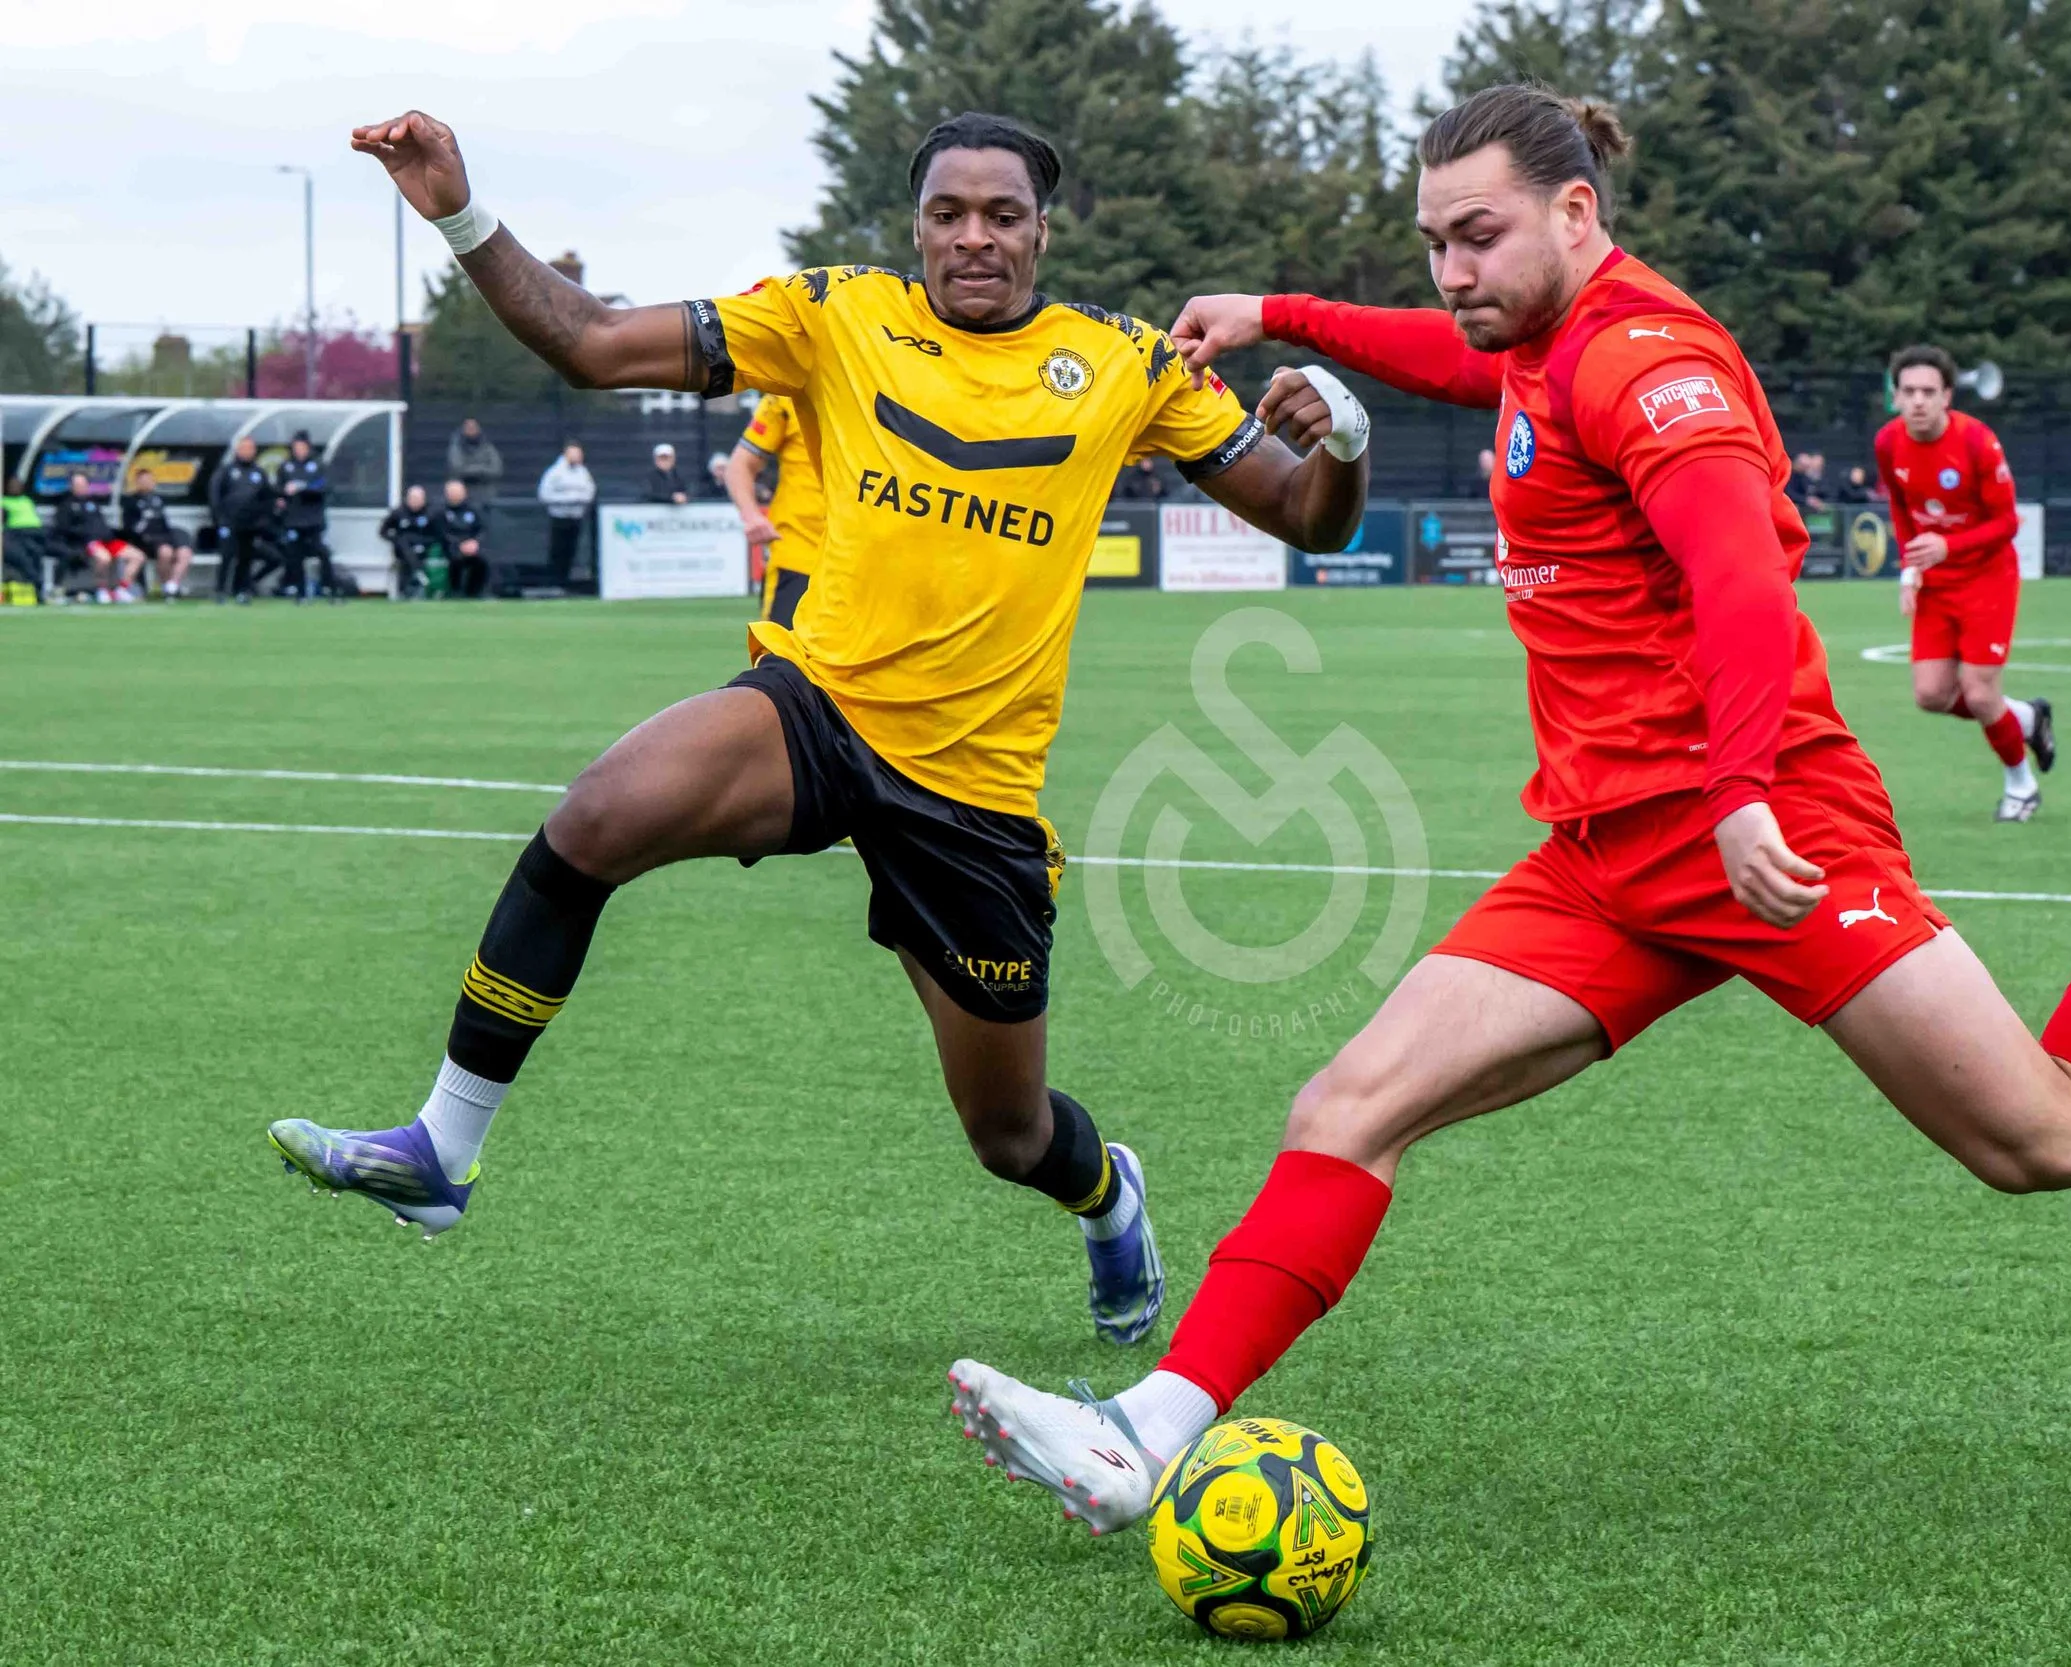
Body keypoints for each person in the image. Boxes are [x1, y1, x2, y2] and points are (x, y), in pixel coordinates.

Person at [940, 82, 2071, 1535]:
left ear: (1575, 214)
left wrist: (1734, 794)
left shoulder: (1650, 362)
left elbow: (1738, 579)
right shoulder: (1538, 338)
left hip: (1768, 826)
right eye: (1433, 241)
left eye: (1478, 237)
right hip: (1603, 856)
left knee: (2044, 1139)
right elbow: (1457, 358)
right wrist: (1280, 311)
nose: (1452, 273)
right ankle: (1148, 1429)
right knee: (1347, 1103)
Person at [277, 109, 1369, 1361]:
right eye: (947, 215)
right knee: (592, 821)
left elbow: (1307, 518)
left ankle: (1105, 1192)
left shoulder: (1127, 361)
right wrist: (461, 214)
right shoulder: (832, 313)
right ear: (914, 231)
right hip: (816, 711)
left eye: (1001, 216)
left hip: (975, 798)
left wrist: (1340, 440)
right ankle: (442, 1148)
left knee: (1008, 1136)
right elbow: (587, 344)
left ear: (1041, 234)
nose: (973, 236)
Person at [1874, 345, 2055, 822]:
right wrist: (1910, 569)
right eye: (1908, 391)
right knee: (1930, 695)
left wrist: (1948, 547)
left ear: (1948, 396)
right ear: (1896, 396)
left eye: (1928, 392)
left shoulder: (1977, 442)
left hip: (1986, 579)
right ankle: (2026, 719)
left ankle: (2021, 784)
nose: (1917, 401)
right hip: (1935, 582)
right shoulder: (1888, 443)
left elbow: (2007, 523)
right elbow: (1900, 507)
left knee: (1978, 693)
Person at [725, 394, 824, 629]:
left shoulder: (882, 385)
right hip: (800, 553)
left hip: (867, 562)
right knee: (781, 659)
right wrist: (751, 515)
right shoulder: (786, 396)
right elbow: (740, 465)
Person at [275, 431, 339, 601]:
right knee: (295, 556)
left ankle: (330, 588)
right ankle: (300, 591)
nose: (299, 451)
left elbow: (325, 488)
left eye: (302, 447)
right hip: (293, 520)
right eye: (296, 448)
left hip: (313, 520)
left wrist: (303, 489)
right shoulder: (286, 466)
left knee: (322, 553)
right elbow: (278, 489)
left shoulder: (318, 465)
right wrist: (282, 496)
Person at [57, 471, 140, 602]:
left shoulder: (93, 503)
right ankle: (102, 589)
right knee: (103, 558)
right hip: (89, 542)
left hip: (108, 540)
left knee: (137, 556)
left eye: (83, 484)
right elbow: (64, 529)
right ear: (72, 486)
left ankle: (122, 589)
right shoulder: (66, 505)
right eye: (77, 484)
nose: (80, 487)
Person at [210, 436, 275, 600]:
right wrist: (219, 519)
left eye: (250, 448)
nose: (247, 451)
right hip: (229, 522)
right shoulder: (227, 470)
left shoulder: (259, 473)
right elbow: (215, 495)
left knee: (246, 558)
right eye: (244, 447)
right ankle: (220, 590)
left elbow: (267, 497)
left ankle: (240, 589)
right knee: (227, 556)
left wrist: (262, 519)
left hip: (251, 525)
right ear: (238, 450)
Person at [120, 467, 195, 598]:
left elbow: (164, 523)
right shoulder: (130, 501)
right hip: (145, 539)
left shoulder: (158, 499)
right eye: (143, 480)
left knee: (185, 553)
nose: (147, 483)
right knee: (165, 552)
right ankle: (164, 585)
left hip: (165, 535)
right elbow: (130, 528)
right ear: (137, 482)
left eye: (150, 480)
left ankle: (173, 584)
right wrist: (144, 520)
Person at [536, 441, 596, 581]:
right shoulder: (554, 472)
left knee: (572, 549)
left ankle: (567, 580)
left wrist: (579, 500)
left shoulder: (583, 472)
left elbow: (590, 490)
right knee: (558, 550)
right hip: (559, 517)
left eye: (579, 454)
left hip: (576, 516)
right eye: (574, 453)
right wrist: (565, 500)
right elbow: (544, 494)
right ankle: (555, 579)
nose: (577, 457)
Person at [378, 483, 440, 599]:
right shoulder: (398, 513)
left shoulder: (431, 513)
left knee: (410, 549)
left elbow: (437, 534)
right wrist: (394, 539)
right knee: (403, 541)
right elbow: (383, 531)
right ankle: (416, 577)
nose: (415, 501)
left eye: (418, 499)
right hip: (402, 550)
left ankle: (417, 577)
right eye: (412, 498)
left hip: (424, 547)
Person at [438, 477, 490, 597]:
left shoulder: (473, 509)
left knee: (481, 562)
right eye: (452, 493)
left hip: (472, 547)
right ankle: (455, 591)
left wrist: (475, 542)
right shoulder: (440, 511)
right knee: (456, 560)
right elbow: (442, 532)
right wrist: (459, 544)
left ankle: (474, 592)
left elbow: (482, 528)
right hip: (451, 547)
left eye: (458, 492)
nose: (455, 495)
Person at [447, 416, 504, 497]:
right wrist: (482, 468)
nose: (471, 430)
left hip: (486, 493)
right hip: (462, 493)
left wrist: (472, 468)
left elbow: (496, 470)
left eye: (473, 427)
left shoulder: (488, 448)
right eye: (468, 427)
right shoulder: (456, 448)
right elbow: (457, 469)